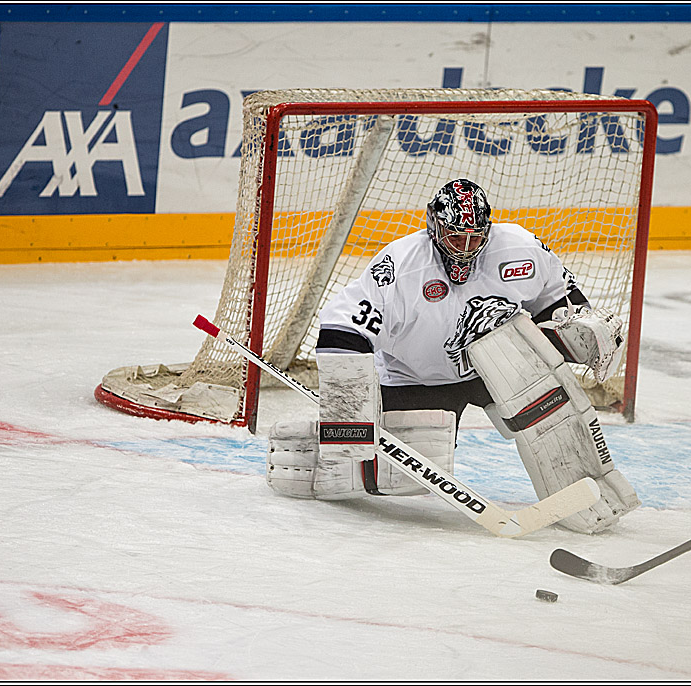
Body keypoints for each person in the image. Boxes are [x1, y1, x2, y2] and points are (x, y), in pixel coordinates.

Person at [266, 178, 640, 534]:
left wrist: (580, 330)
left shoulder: (519, 248)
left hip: (500, 366)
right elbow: (342, 326)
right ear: (433, 228)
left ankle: (590, 489)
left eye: (474, 237)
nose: (464, 247)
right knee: (392, 480)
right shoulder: (401, 265)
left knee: (557, 413)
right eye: (454, 237)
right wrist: (348, 420)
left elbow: (558, 299)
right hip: (416, 377)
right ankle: (308, 455)